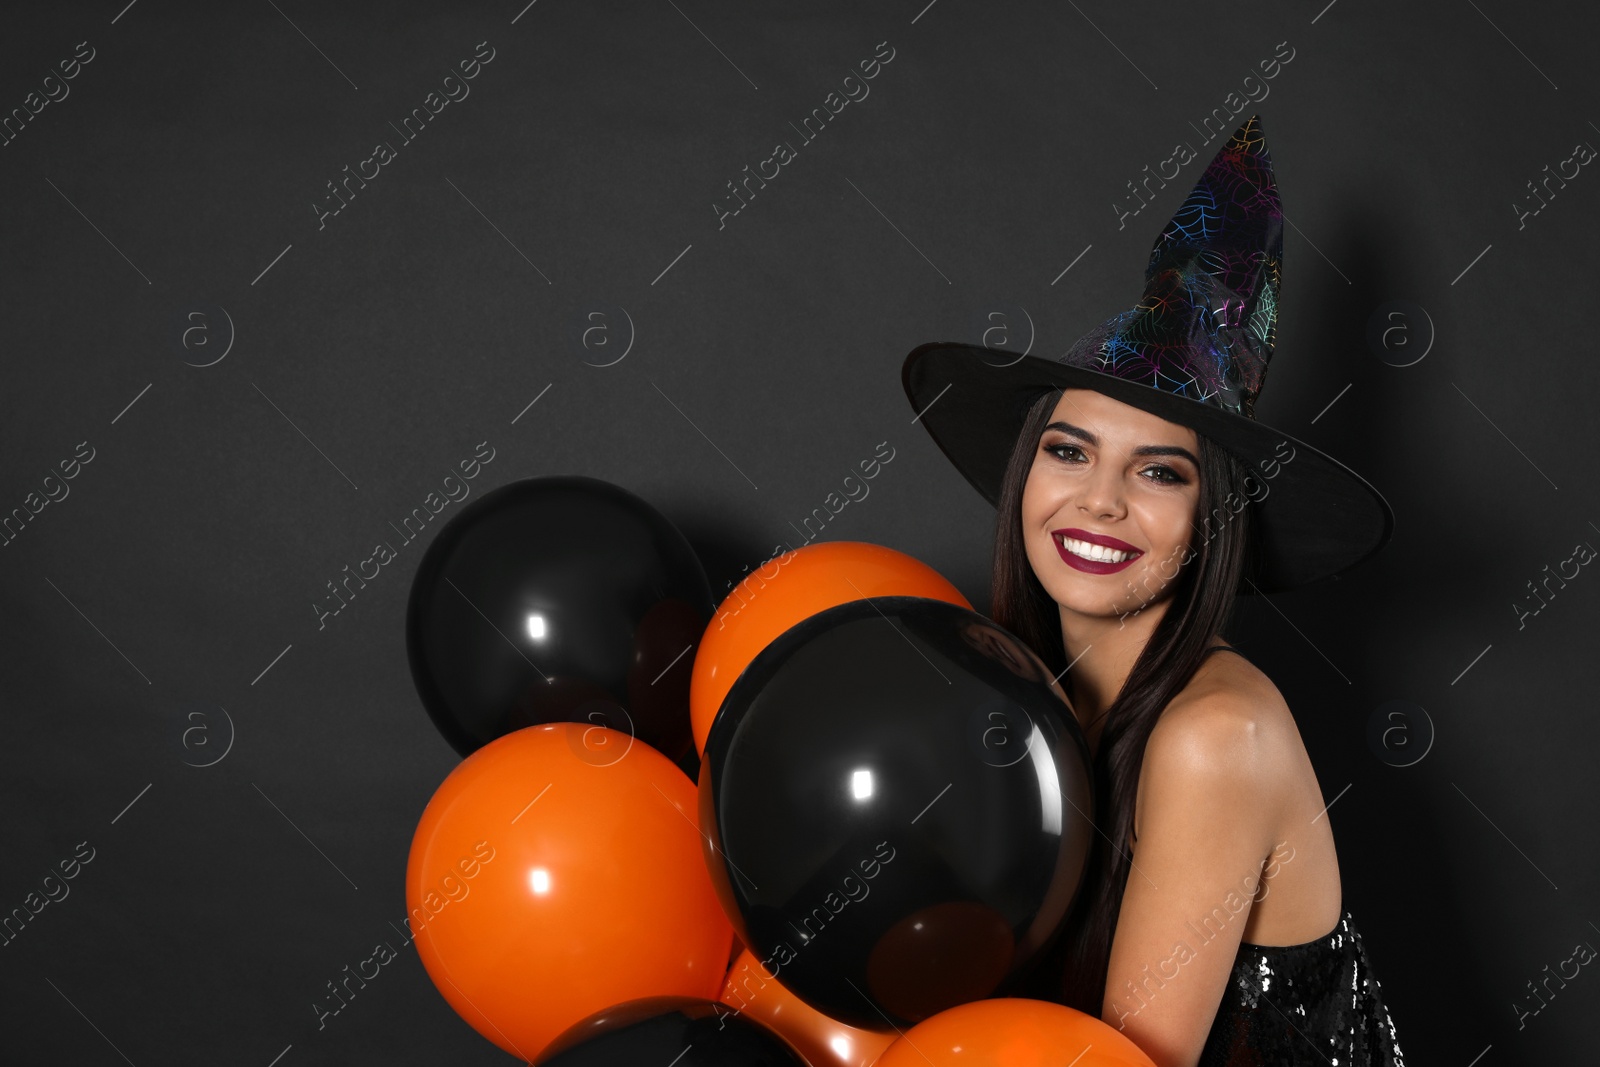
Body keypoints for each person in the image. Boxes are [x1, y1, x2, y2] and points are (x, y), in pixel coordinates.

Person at [901, 115, 1406, 1066]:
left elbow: (1113, 1061)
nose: (1098, 501)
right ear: (1026, 473)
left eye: (1159, 472)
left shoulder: (1215, 738)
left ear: (1212, 517)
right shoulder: (1025, 702)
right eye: (1069, 449)